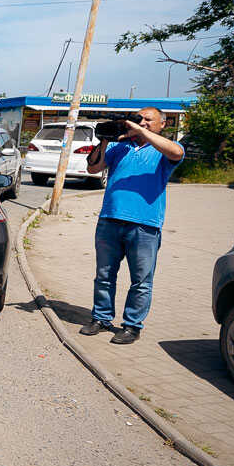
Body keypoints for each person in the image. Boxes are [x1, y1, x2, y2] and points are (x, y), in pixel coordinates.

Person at [79, 107, 184, 345]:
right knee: (104, 276)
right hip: (110, 220)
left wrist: (138, 130)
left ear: (162, 125)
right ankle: (101, 318)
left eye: (148, 120)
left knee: (141, 280)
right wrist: (105, 140)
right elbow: (93, 168)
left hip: (145, 226)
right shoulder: (120, 147)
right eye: (139, 119)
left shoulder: (162, 150)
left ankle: (132, 326)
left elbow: (177, 152)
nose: (143, 123)